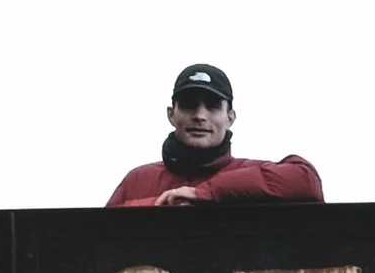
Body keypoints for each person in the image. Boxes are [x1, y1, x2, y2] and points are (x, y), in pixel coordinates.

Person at [107, 64, 324, 207]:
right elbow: (96, 233)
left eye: (212, 107)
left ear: (230, 117)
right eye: (189, 105)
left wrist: (206, 193)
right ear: (171, 114)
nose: (200, 115)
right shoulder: (137, 180)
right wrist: (161, 205)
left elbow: (305, 179)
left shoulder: (248, 171)